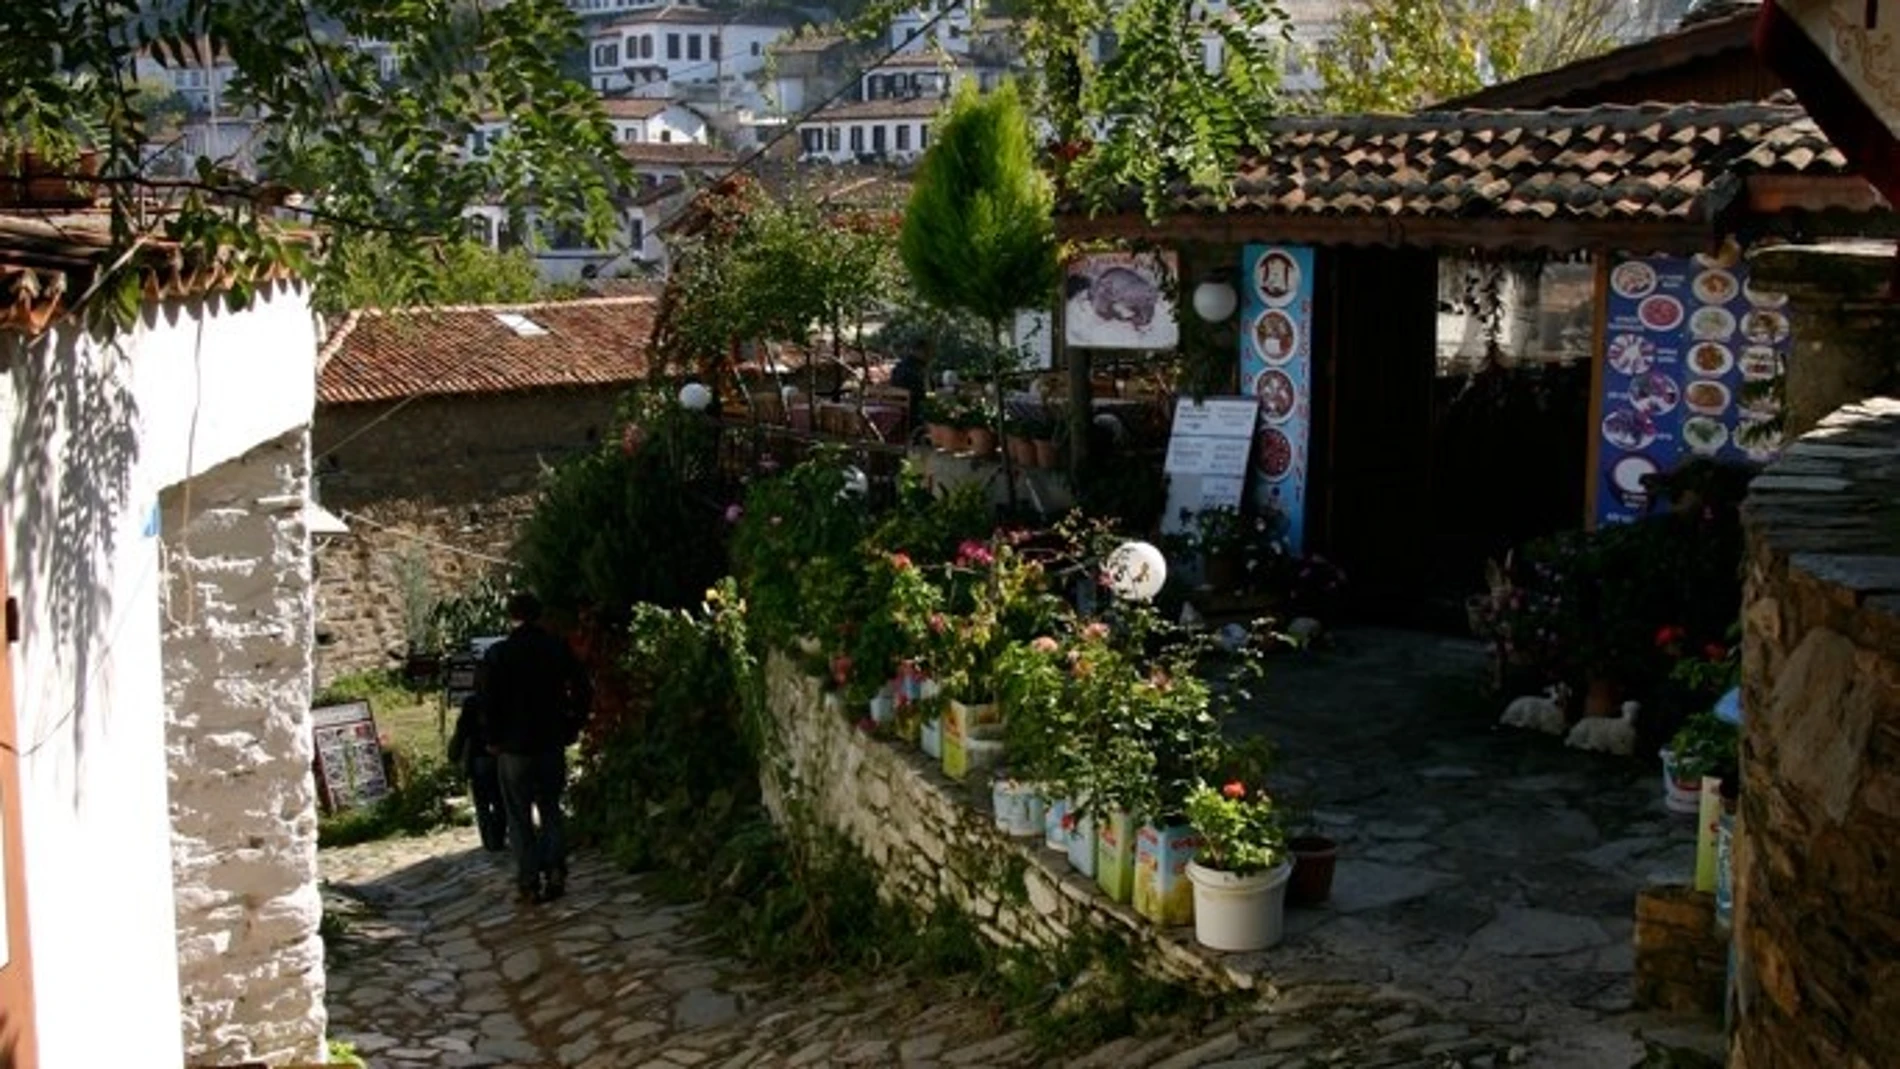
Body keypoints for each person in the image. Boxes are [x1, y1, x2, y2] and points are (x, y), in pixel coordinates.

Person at [479, 591, 592, 904]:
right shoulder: (556, 648)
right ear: (540, 615)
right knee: (551, 809)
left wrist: (491, 738)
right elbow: (583, 688)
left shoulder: (499, 655)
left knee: (519, 816)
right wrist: (573, 725)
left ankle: (529, 881)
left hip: (513, 747)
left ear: (511, 617)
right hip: (551, 740)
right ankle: (556, 869)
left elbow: (487, 702)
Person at [446, 688, 507, 852]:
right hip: (500, 756)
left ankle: (489, 841)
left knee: (482, 804)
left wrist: (455, 754)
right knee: (500, 801)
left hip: (477, 759)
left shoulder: (472, 702)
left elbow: (462, 731)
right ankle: (498, 836)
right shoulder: (502, 698)